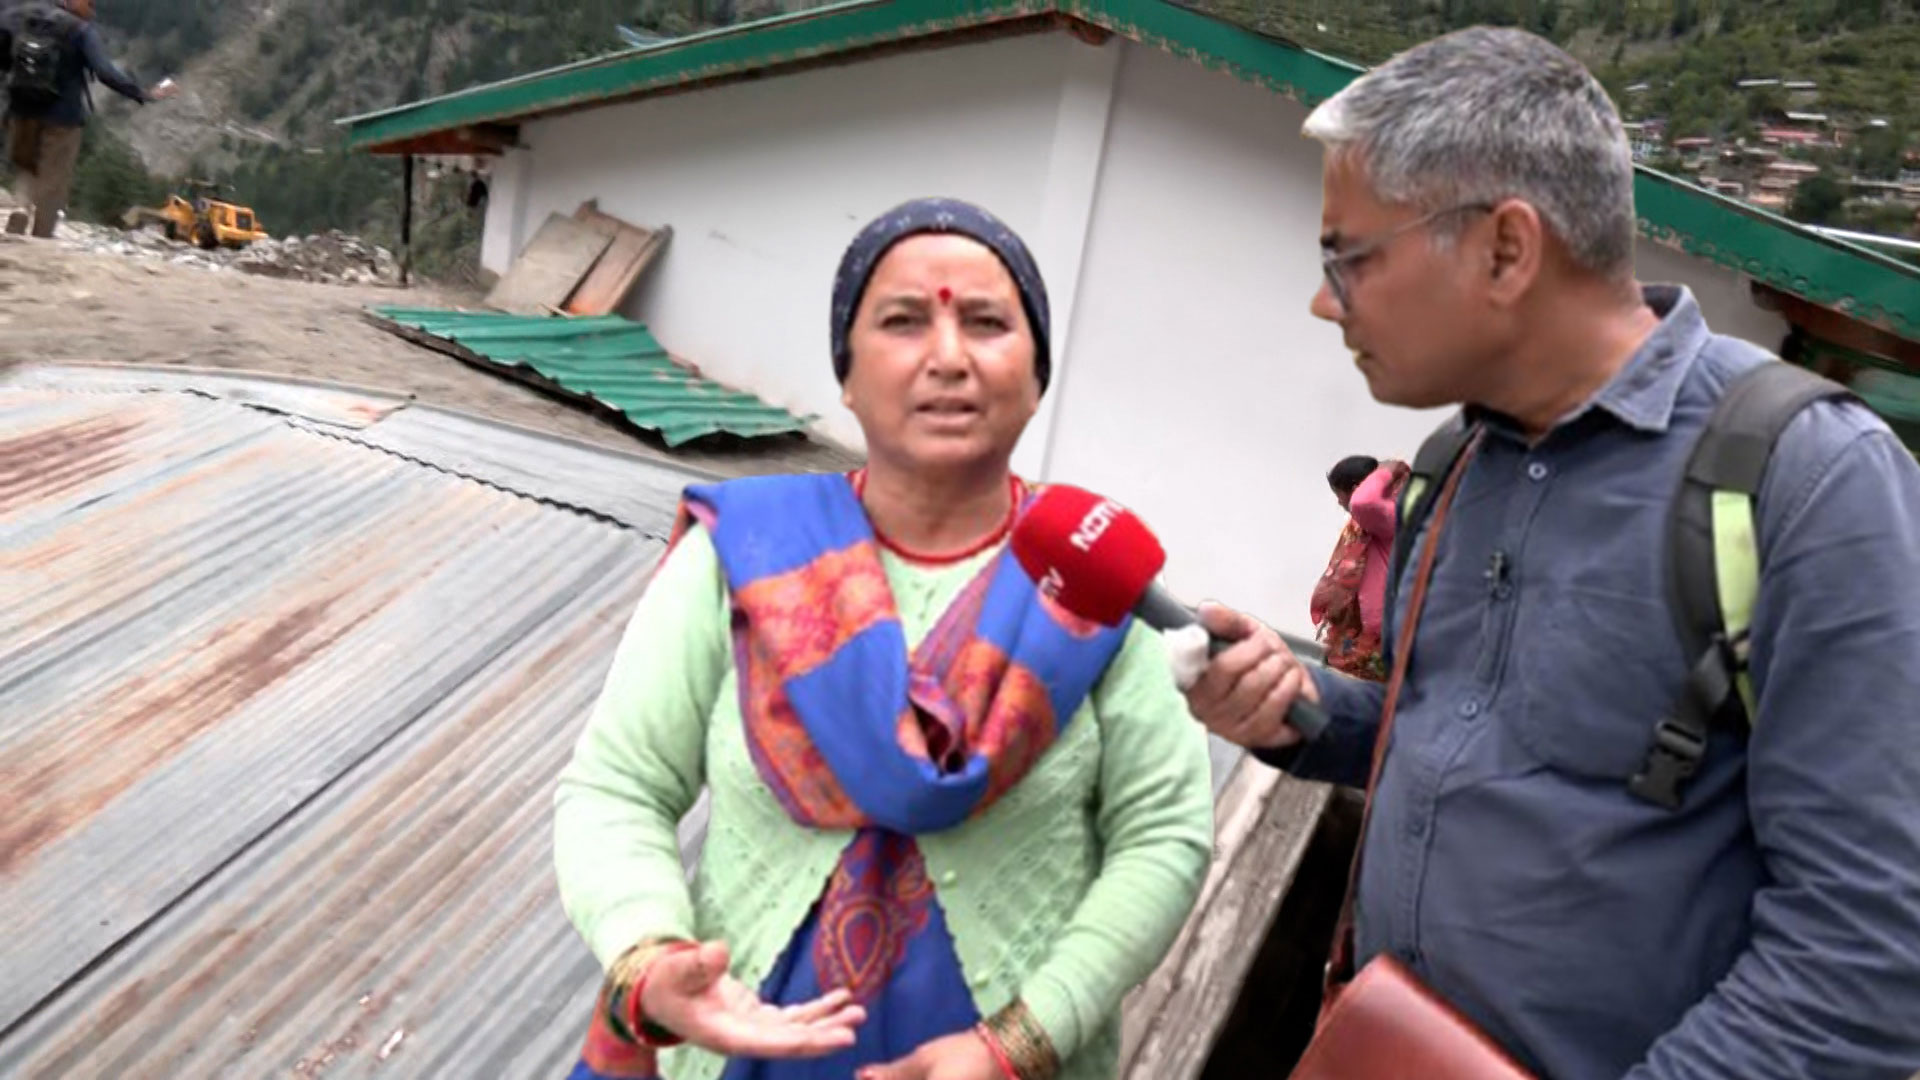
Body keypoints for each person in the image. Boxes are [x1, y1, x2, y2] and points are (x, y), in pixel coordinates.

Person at [1177, 26, 1920, 1080]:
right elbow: (1465, 738)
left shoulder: (1807, 480)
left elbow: (1868, 959)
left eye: (1348, 257)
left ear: (1505, 250)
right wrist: (1300, 709)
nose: (1321, 300)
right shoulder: (1457, 458)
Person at [554, 197, 1215, 1080]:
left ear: (1036, 372)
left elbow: (1163, 835)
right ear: (847, 374)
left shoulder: (1087, 585)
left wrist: (1024, 1040)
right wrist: (651, 952)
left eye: (987, 323)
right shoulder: (745, 559)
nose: (949, 357)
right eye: (903, 322)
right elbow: (619, 786)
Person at [0, 0, 173, 238]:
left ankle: (20, 206)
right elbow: (105, 72)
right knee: (54, 180)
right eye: (90, 4)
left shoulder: (21, 16)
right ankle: (41, 237)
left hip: (22, 110)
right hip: (63, 118)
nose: (93, 11)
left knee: (25, 167)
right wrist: (141, 93)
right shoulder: (79, 30)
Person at [1309, 455, 1409, 680]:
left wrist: (1386, 471)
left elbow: (1363, 502)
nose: (1339, 503)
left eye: (1339, 495)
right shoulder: (1369, 523)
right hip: (1370, 634)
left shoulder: (1382, 516)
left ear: (1355, 489)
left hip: (1385, 635)